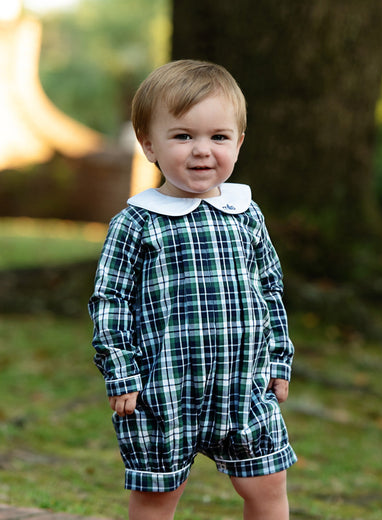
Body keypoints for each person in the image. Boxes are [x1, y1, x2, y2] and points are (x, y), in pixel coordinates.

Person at [89, 59, 297, 520]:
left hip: (242, 386)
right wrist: (121, 372)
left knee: (267, 481)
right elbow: (111, 301)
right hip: (165, 389)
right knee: (157, 495)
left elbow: (269, 289)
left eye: (218, 137)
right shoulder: (137, 223)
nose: (202, 151)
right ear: (149, 145)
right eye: (183, 136)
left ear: (238, 143)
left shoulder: (246, 214)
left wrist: (278, 359)